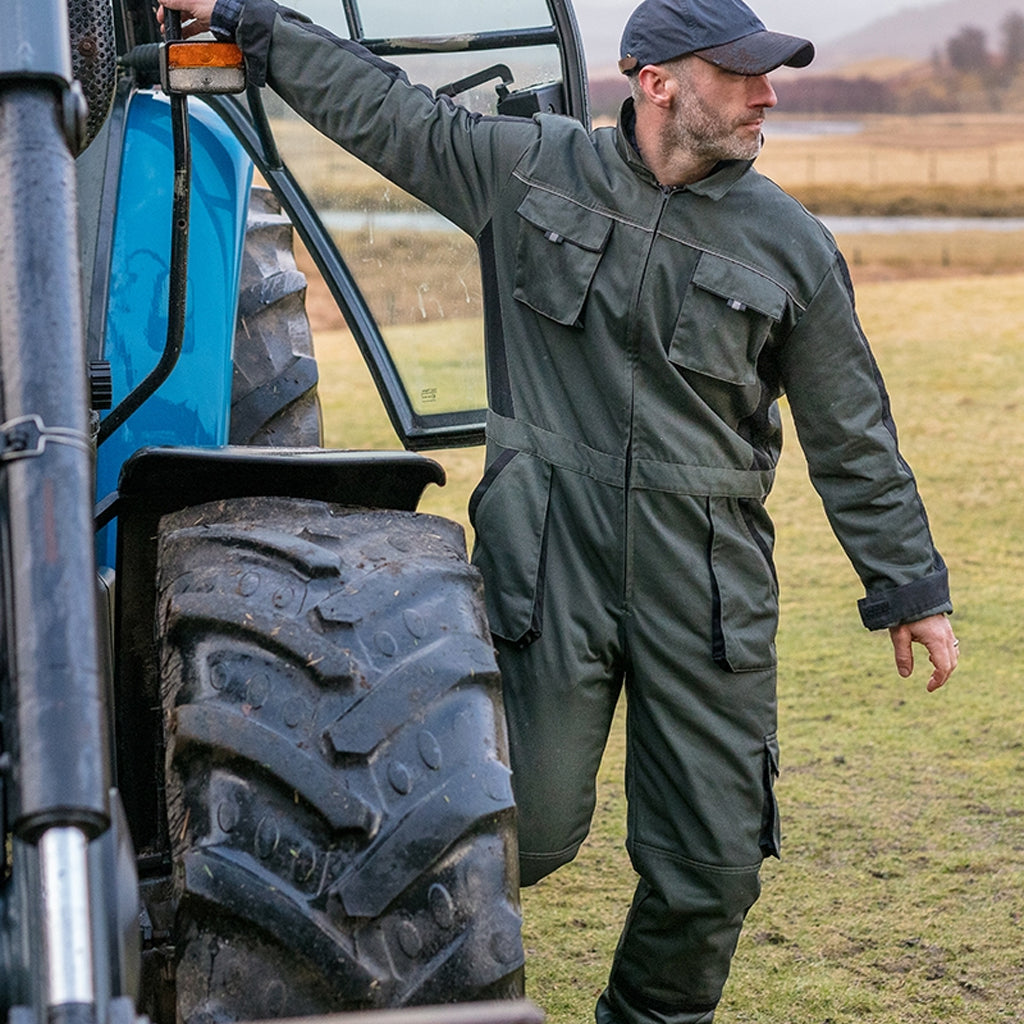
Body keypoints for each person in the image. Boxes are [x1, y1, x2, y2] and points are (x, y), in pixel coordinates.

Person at [157, 0, 961, 1020]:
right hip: (547, 560)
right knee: (506, 831)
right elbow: (379, 109)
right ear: (655, 78)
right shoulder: (526, 167)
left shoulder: (791, 247)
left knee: (710, 868)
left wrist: (908, 588)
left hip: (705, 582)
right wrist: (244, 19)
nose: (767, 95)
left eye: (771, 74)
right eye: (741, 73)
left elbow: (853, 436)